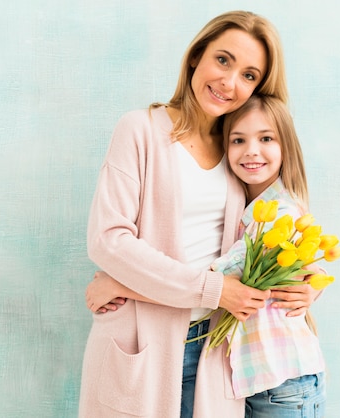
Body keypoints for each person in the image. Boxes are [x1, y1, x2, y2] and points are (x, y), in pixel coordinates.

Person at [79, 10, 299, 418]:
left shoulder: (240, 150)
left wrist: (308, 287)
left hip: (216, 350)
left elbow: (282, 230)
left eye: (249, 76)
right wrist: (213, 291)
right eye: (223, 60)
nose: (230, 83)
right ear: (197, 56)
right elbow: (110, 240)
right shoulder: (139, 130)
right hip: (141, 344)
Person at [87, 94, 327, 417]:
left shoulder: (277, 217)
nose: (252, 150)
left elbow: (214, 282)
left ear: (287, 147)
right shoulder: (250, 210)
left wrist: (119, 286)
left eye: (266, 138)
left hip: (283, 383)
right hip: (257, 381)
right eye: (238, 140)